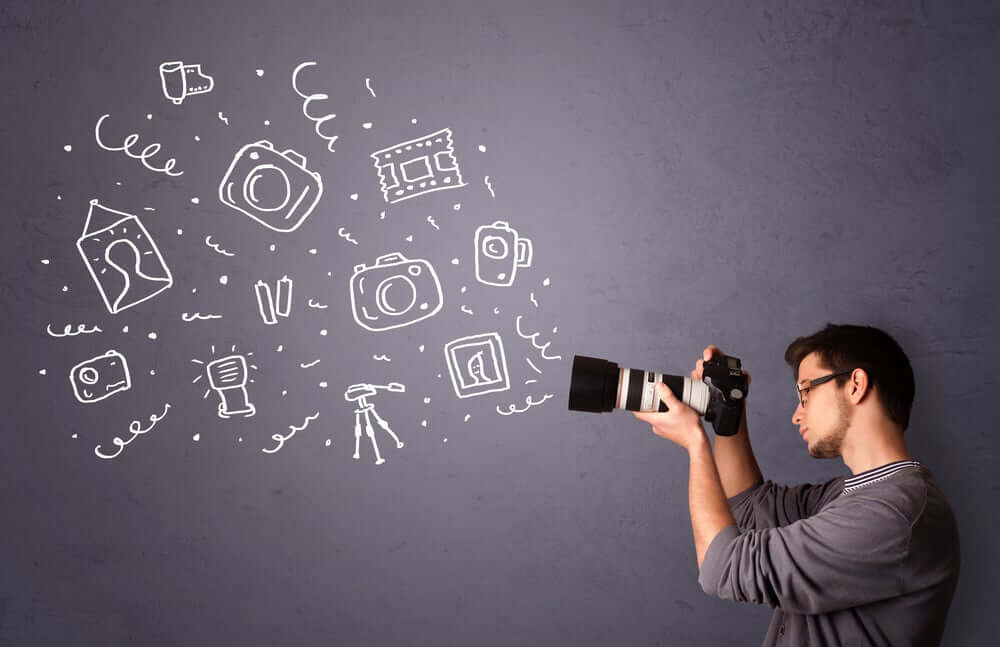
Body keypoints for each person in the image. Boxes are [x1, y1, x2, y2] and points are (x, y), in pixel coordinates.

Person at [633, 323, 960, 646]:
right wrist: (729, 409)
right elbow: (748, 507)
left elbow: (721, 568)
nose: (797, 414)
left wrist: (695, 442)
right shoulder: (854, 496)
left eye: (806, 391)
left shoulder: (893, 515)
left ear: (856, 385)